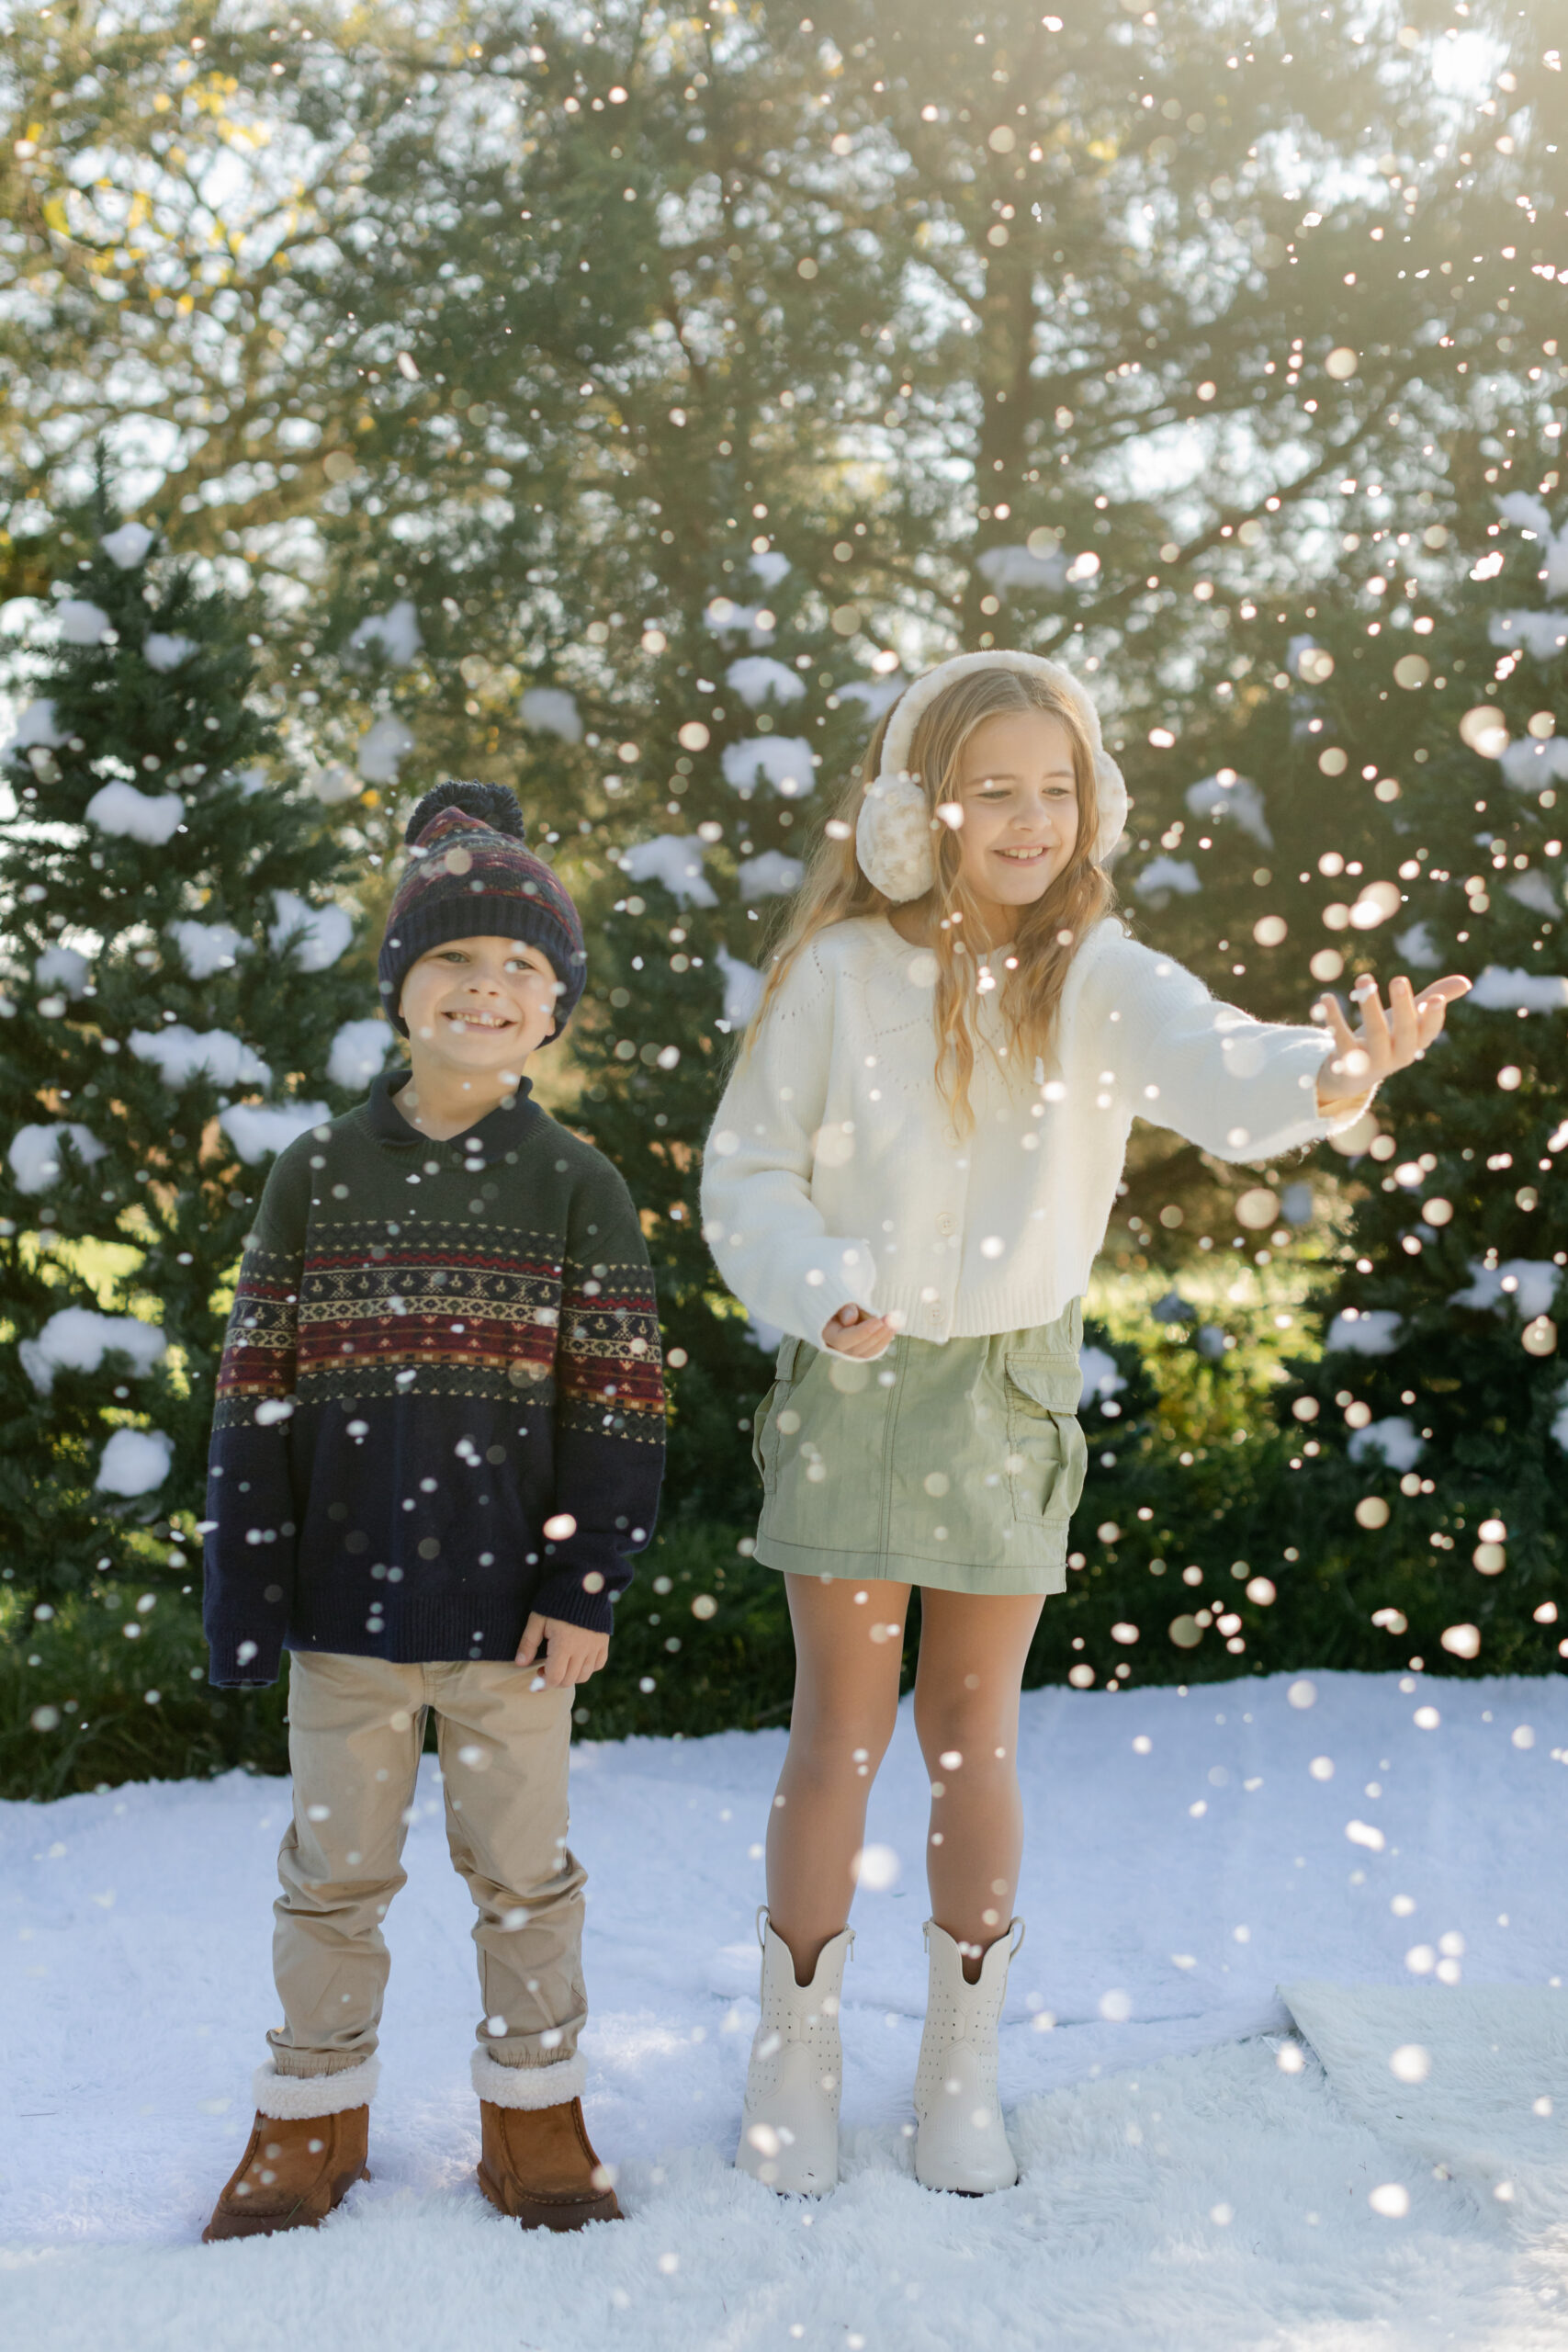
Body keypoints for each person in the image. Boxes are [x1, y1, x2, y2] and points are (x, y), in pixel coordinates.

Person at [701, 650, 1468, 2198]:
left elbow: (1222, 1064)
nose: (1030, 820)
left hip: (1007, 1392)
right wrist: (824, 1283)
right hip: (856, 1384)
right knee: (839, 1729)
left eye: (1057, 789)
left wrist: (1334, 1074)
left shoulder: (1096, 971)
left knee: (971, 1737)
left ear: (1091, 804)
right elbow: (749, 1176)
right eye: (995, 790)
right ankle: (795, 2058)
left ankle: (960, 2072)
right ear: (923, 809)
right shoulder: (841, 977)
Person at [200, 781, 664, 2241]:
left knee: (525, 1880)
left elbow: (619, 1405)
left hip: (509, 1629)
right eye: (455, 962)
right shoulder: (316, 1174)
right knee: (333, 1878)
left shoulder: (577, 1189)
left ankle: (537, 2121)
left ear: (554, 1014)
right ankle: (308, 2121)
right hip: (343, 1615)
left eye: (522, 969)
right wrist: (247, 1591)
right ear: (402, 991)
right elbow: (252, 1390)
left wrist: (582, 1587)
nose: (488, 988)